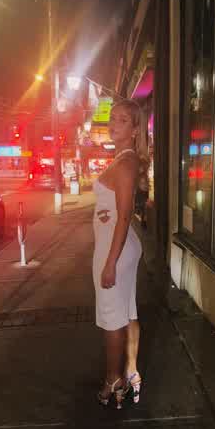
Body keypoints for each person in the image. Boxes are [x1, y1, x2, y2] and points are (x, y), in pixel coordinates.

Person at [93, 100, 143, 409]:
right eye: (113, 118)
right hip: (119, 244)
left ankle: (113, 380)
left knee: (112, 318)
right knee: (127, 312)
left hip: (115, 249)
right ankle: (130, 371)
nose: (114, 124)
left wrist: (110, 263)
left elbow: (124, 215)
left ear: (135, 129)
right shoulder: (125, 160)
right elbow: (115, 210)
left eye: (123, 120)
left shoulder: (125, 163)